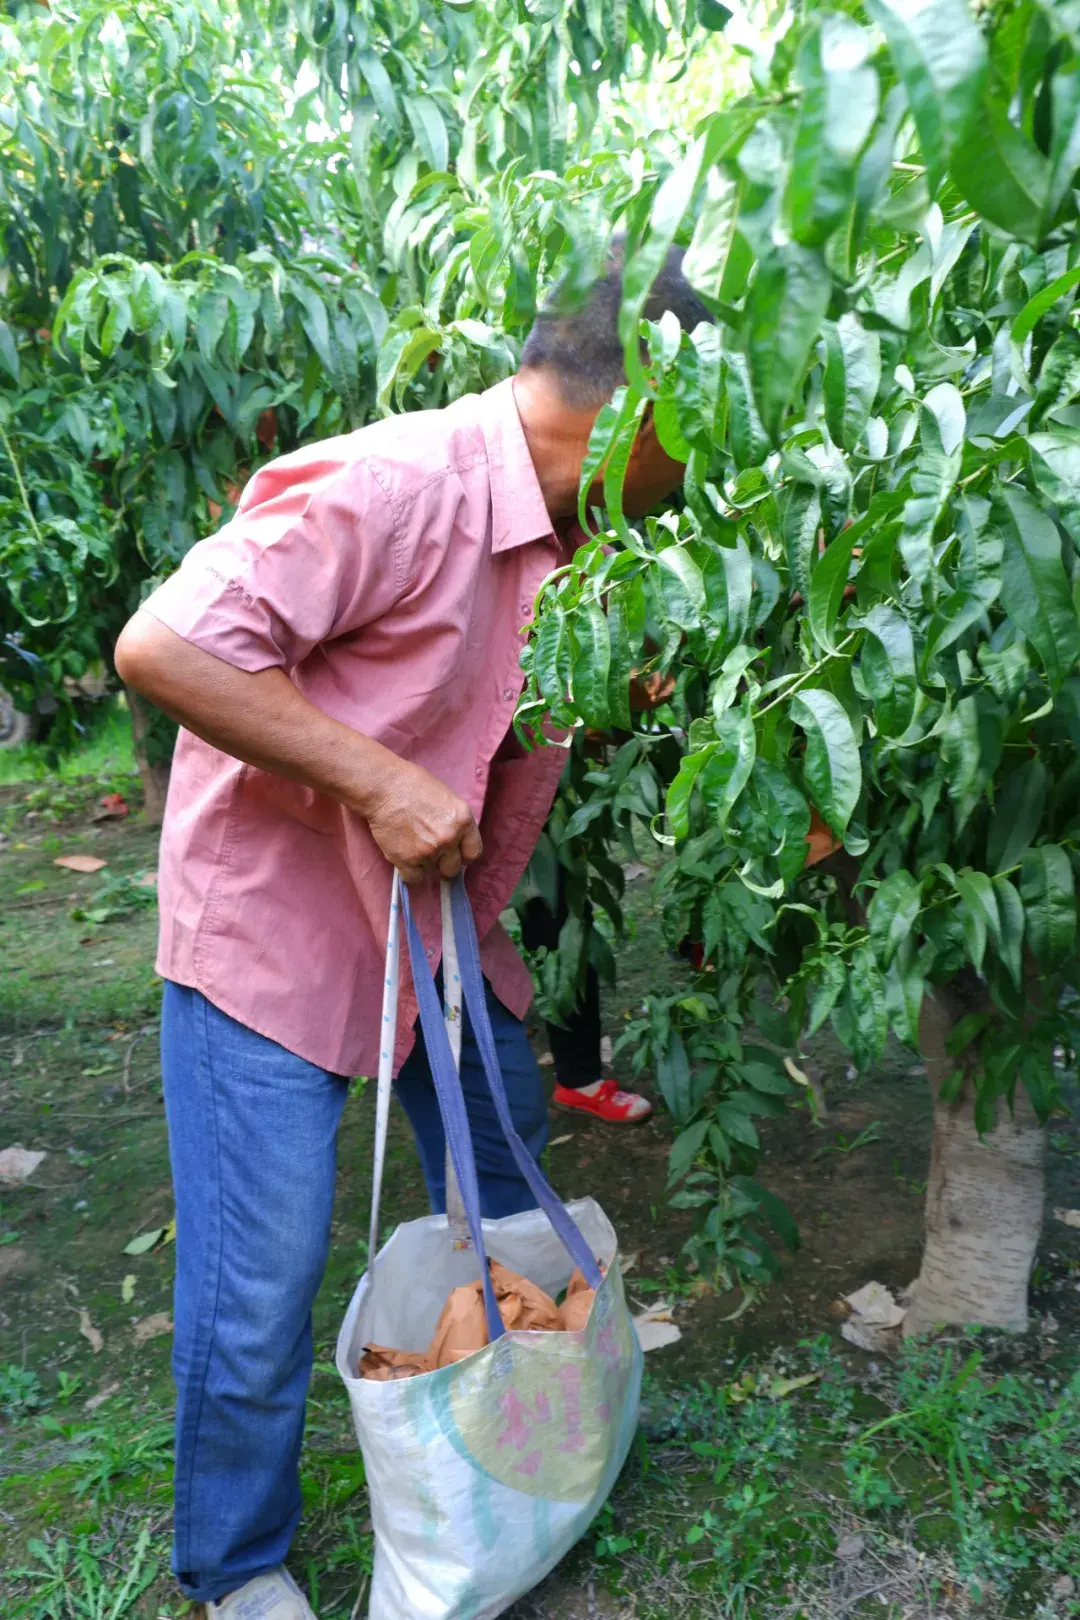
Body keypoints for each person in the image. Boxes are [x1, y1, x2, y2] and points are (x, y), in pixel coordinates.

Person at [114, 244, 712, 1620]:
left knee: (513, 1187)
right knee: (259, 1292)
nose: (706, 478)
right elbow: (163, 647)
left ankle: (512, 1414)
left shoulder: (576, 540)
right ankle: (237, 1564)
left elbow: (483, 708)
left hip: (437, 940)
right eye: (706, 436)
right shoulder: (401, 485)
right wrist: (379, 781)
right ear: (642, 416)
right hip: (280, 942)